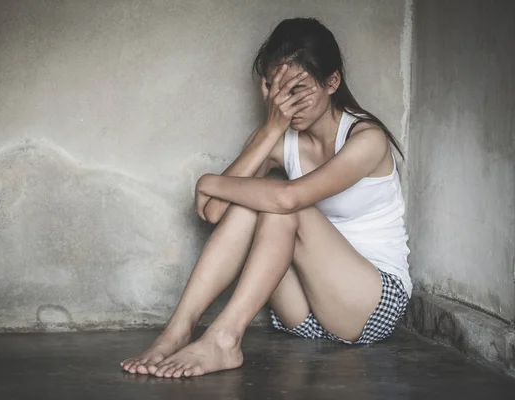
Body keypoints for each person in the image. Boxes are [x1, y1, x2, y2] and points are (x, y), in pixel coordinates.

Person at [121, 17, 411, 378]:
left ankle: (224, 339)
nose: (287, 104)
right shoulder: (281, 137)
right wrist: (270, 129)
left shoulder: (367, 140)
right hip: (304, 315)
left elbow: (288, 200)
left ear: (332, 82)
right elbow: (214, 212)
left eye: (299, 89)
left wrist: (209, 179)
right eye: (278, 91)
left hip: (370, 304)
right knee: (253, 202)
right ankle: (177, 330)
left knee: (282, 205)